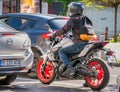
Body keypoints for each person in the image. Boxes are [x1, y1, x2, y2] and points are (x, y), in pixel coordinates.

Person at [50, 2, 95, 79]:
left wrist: (54, 34)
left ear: (73, 10)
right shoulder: (85, 18)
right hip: (88, 42)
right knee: (82, 60)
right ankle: (87, 80)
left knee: (62, 51)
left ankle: (69, 68)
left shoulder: (73, 19)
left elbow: (64, 29)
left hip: (79, 44)